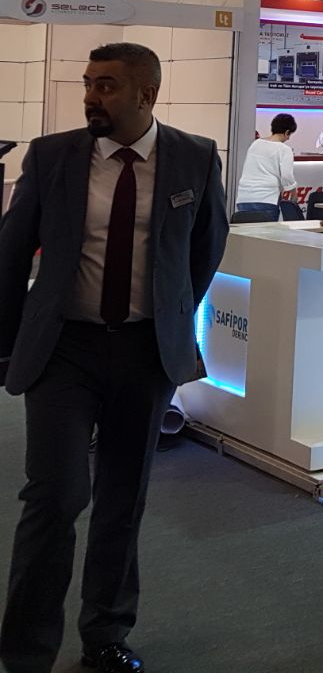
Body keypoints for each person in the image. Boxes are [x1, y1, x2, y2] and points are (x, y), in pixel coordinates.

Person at [0, 42, 227, 673]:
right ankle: (25, 653)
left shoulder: (195, 157)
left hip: (144, 352)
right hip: (64, 350)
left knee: (124, 498)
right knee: (55, 496)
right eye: (88, 83)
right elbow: (10, 254)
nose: (91, 96)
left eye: (106, 85)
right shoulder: (52, 157)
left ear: (146, 94)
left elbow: (205, 249)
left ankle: (105, 634)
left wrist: (170, 318)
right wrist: (5, 348)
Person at [234, 113, 298, 220]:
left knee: (246, 230)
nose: (288, 139)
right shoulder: (284, 150)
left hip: (244, 198)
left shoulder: (255, 144)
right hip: (267, 198)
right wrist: (294, 193)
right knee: (267, 230)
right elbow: (287, 176)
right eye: (289, 135)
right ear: (287, 132)